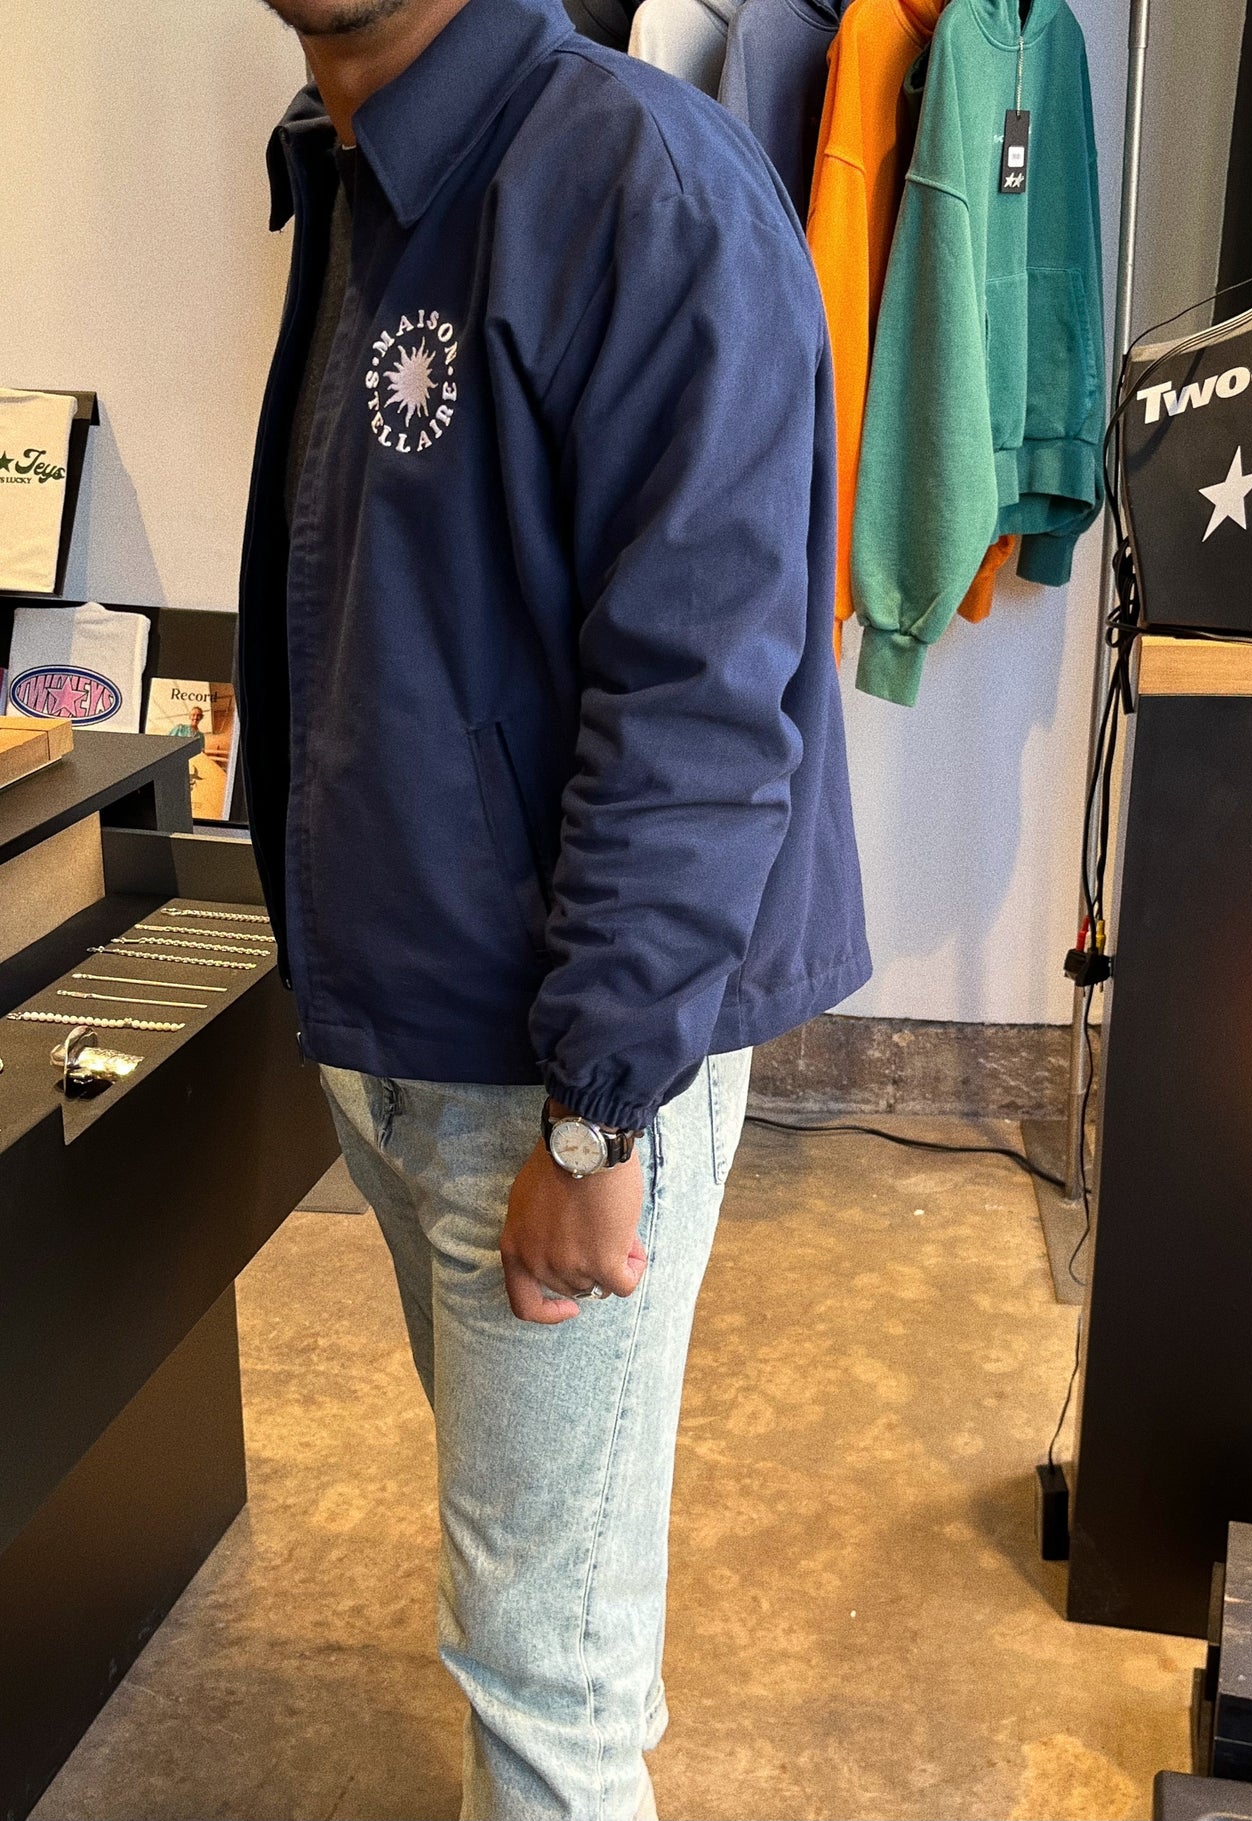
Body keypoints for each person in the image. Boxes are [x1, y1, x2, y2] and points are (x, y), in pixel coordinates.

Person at [237, 0, 869, 1814]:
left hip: (558, 1077)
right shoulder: (351, 165)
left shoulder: (639, 182)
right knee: (552, 1602)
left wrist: (595, 1113)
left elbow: (699, 696)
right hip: (407, 1039)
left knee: (539, 1681)